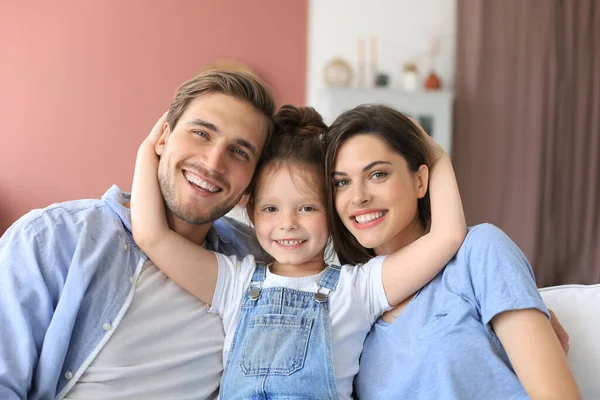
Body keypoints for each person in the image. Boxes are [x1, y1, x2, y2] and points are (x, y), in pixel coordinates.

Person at [129, 105, 466, 399]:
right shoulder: (235, 282)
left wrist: (435, 155)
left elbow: (448, 236)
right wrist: (148, 149)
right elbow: (152, 235)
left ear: (332, 212)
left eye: (306, 208)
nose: (287, 224)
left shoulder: (360, 288)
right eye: (271, 209)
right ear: (251, 212)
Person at [0, 70, 276, 400]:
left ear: (252, 181)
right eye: (201, 133)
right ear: (162, 138)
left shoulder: (258, 263)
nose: (213, 162)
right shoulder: (51, 239)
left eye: (240, 152)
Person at [323, 104, 581, 399]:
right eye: (341, 182)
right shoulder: (349, 301)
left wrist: (437, 154)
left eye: (378, 174)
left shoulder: (480, 251)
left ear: (420, 180)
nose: (358, 197)